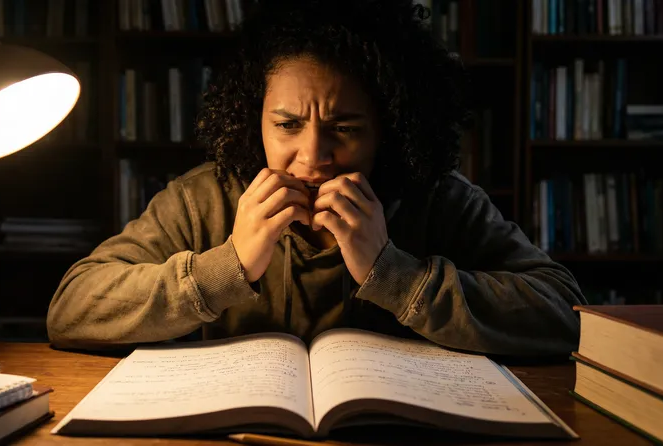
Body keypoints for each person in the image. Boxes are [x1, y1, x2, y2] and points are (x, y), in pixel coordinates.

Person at [46, 0, 587, 355]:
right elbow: (73, 308)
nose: (312, 156)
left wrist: (397, 275)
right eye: (286, 125)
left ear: (388, 130)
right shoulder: (202, 198)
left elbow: (565, 312)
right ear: (252, 117)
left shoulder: (441, 201)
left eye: (345, 129)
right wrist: (226, 266)